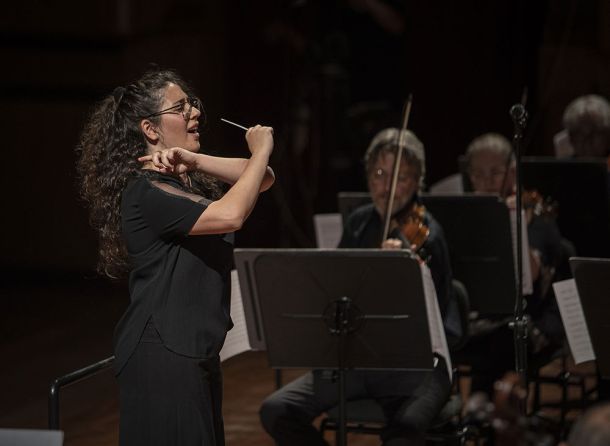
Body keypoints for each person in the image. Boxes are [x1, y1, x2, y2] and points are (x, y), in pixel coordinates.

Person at [75, 68, 275, 445]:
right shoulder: (146, 191)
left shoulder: (178, 181)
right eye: (180, 108)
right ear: (150, 129)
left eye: (192, 104)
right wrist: (261, 149)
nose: (194, 112)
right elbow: (232, 214)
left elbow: (261, 179)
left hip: (190, 350)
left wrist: (196, 161)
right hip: (163, 354)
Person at [259, 128, 461, 446]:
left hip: (417, 366)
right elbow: (338, 294)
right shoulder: (359, 222)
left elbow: (430, 316)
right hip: (358, 361)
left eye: (401, 177)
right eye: (379, 174)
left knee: (404, 430)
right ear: (368, 176)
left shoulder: (429, 234)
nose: (387, 187)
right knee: (277, 410)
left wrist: (403, 272)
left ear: (417, 181)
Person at [458, 132, 569, 397]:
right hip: (484, 321)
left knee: (502, 341)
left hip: (532, 320)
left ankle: (486, 411)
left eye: (495, 173)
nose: (486, 182)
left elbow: (531, 274)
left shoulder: (536, 218)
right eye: (478, 174)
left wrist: (512, 222)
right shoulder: (466, 219)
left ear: (513, 173)